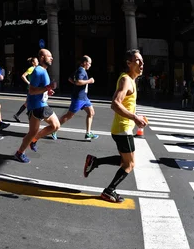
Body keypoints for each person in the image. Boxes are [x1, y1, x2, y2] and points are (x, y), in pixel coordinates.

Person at [83, 49, 148, 203]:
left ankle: (95, 162)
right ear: (129, 63)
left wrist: (137, 117)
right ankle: (109, 190)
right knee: (130, 164)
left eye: (142, 61)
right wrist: (134, 117)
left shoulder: (131, 80)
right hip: (122, 129)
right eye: (138, 61)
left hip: (123, 128)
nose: (142, 64)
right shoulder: (126, 80)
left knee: (124, 161)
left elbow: (126, 104)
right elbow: (115, 104)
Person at [13, 49, 60, 163]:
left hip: (42, 104)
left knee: (55, 126)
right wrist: (48, 88)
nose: (52, 58)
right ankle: (19, 153)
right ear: (42, 58)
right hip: (35, 106)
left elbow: (41, 88)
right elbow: (32, 91)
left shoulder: (44, 70)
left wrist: (48, 91)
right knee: (32, 132)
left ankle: (34, 140)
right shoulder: (38, 71)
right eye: (49, 56)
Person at [58, 55, 99, 141]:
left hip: (84, 97)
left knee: (91, 112)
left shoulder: (79, 70)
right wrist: (89, 81)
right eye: (89, 63)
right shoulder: (81, 71)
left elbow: (70, 79)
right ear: (84, 63)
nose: (90, 65)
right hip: (79, 98)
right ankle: (54, 128)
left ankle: (88, 133)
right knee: (69, 115)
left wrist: (77, 85)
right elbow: (78, 81)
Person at [13, 57, 39, 122]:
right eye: (36, 61)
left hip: (34, 88)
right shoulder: (31, 68)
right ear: (33, 63)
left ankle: (19, 114)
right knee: (32, 103)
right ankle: (30, 115)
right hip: (31, 89)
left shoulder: (36, 69)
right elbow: (23, 76)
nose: (38, 62)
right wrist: (28, 82)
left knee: (28, 103)